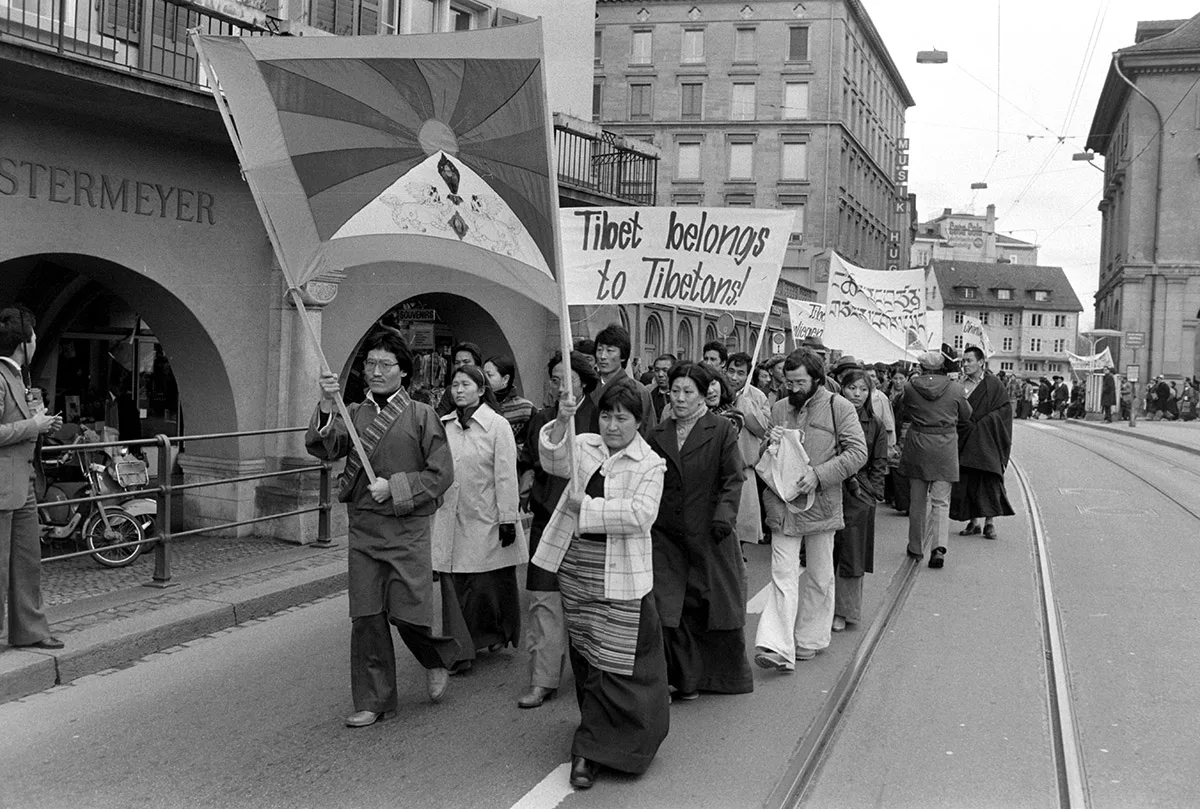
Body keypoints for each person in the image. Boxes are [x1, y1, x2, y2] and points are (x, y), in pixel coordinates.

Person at [306, 330, 457, 727]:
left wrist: (395, 486)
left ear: (403, 372)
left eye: (385, 365)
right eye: (370, 364)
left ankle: (435, 658)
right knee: (367, 617)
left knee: (409, 615)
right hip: (364, 531)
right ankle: (375, 699)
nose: (375, 371)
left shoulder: (422, 415)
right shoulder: (352, 412)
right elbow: (326, 445)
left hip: (407, 530)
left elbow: (441, 475)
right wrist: (325, 403)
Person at [532, 379, 670, 790]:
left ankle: (598, 749)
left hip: (621, 576)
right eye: (607, 415)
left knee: (616, 664)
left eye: (622, 418)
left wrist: (586, 508)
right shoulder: (585, 444)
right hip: (576, 569)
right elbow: (552, 459)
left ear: (639, 422)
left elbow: (640, 515)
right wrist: (562, 418)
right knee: (588, 657)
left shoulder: (650, 463)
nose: (612, 425)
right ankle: (589, 740)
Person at [754, 349, 866, 671]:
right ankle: (778, 646)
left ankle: (810, 639)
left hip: (821, 504)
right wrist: (769, 443)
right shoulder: (778, 408)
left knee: (819, 576)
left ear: (816, 378)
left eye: (799, 381)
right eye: (788, 382)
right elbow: (766, 458)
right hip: (784, 505)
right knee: (782, 574)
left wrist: (819, 475)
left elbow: (858, 452)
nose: (792, 388)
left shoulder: (838, 406)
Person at [647, 362, 750, 698]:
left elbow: (733, 478)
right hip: (665, 534)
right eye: (675, 391)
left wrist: (723, 518)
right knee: (669, 606)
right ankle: (680, 678)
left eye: (687, 392)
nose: (679, 398)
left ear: (703, 395)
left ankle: (716, 678)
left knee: (709, 604)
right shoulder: (657, 433)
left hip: (709, 532)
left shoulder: (720, 430)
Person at [516, 351, 599, 709]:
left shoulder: (603, 414)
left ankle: (596, 678)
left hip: (588, 523)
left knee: (589, 604)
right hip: (548, 518)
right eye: (554, 379)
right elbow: (536, 459)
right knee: (543, 600)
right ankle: (542, 678)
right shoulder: (543, 418)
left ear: (583, 380)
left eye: (567, 378)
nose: (560, 386)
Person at [433, 364, 525, 674]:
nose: (458, 390)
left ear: (481, 390)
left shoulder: (497, 426)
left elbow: (505, 475)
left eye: (466, 385)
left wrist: (508, 518)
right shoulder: (443, 425)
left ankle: (492, 633)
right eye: (454, 385)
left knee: (483, 586)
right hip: (451, 515)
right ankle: (461, 650)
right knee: (455, 586)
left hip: (485, 514)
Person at [1, 306, 65, 652]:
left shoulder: (17, 377)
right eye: (35, 337)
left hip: (21, 483)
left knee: (27, 562)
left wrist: (42, 425)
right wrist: (33, 426)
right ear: (24, 343)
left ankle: (31, 631)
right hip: (2, 485)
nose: (38, 341)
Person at [897, 350, 971, 569]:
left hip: (918, 444)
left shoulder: (910, 387)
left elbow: (903, 409)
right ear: (942, 367)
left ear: (921, 367)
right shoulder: (956, 388)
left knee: (917, 501)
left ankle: (915, 546)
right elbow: (967, 415)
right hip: (944, 446)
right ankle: (938, 548)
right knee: (941, 501)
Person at [831, 369, 887, 633]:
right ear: (842, 389)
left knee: (852, 552)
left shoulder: (874, 425)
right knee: (826, 550)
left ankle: (845, 611)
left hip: (859, 492)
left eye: (863, 390)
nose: (857, 394)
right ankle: (824, 608)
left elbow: (879, 462)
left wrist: (872, 493)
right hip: (830, 486)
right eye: (852, 388)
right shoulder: (831, 416)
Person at [950, 346, 1014, 540]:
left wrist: (984, 423)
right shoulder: (960, 385)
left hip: (987, 441)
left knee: (989, 481)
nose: (965, 364)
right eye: (964, 361)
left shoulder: (994, 384)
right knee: (968, 481)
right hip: (966, 440)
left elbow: (1004, 411)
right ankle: (973, 522)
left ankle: (990, 522)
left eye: (969, 360)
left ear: (981, 362)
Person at [727, 352, 770, 546]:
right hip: (719, 468)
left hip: (744, 469)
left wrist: (746, 407)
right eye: (731, 371)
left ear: (748, 375)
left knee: (739, 533)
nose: (734, 377)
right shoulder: (717, 391)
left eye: (741, 373)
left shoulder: (757, 397)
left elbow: (764, 430)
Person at [591, 324, 657, 435]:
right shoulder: (588, 386)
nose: (602, 356)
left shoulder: (638, 390)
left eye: (610, 351)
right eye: (599, 350)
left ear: (623, 356)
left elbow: (648, 431)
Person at [484, 355, 536, 452]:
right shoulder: (478, 404)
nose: (484, 380)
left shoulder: (525, 408)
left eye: (489, 375)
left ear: (505, 379)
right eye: (483, 375)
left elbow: (532, 444)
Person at [436, 341, 483, 417]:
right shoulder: (450, 391)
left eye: (466, 362)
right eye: (457, 363)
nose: (461, 366)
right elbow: (440, 418)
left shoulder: (487, 388)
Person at [645, 353, 675, 424]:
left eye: (665, 370)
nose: (660, 374)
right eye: (657, 370)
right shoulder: (649, 394)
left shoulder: (679, 396)